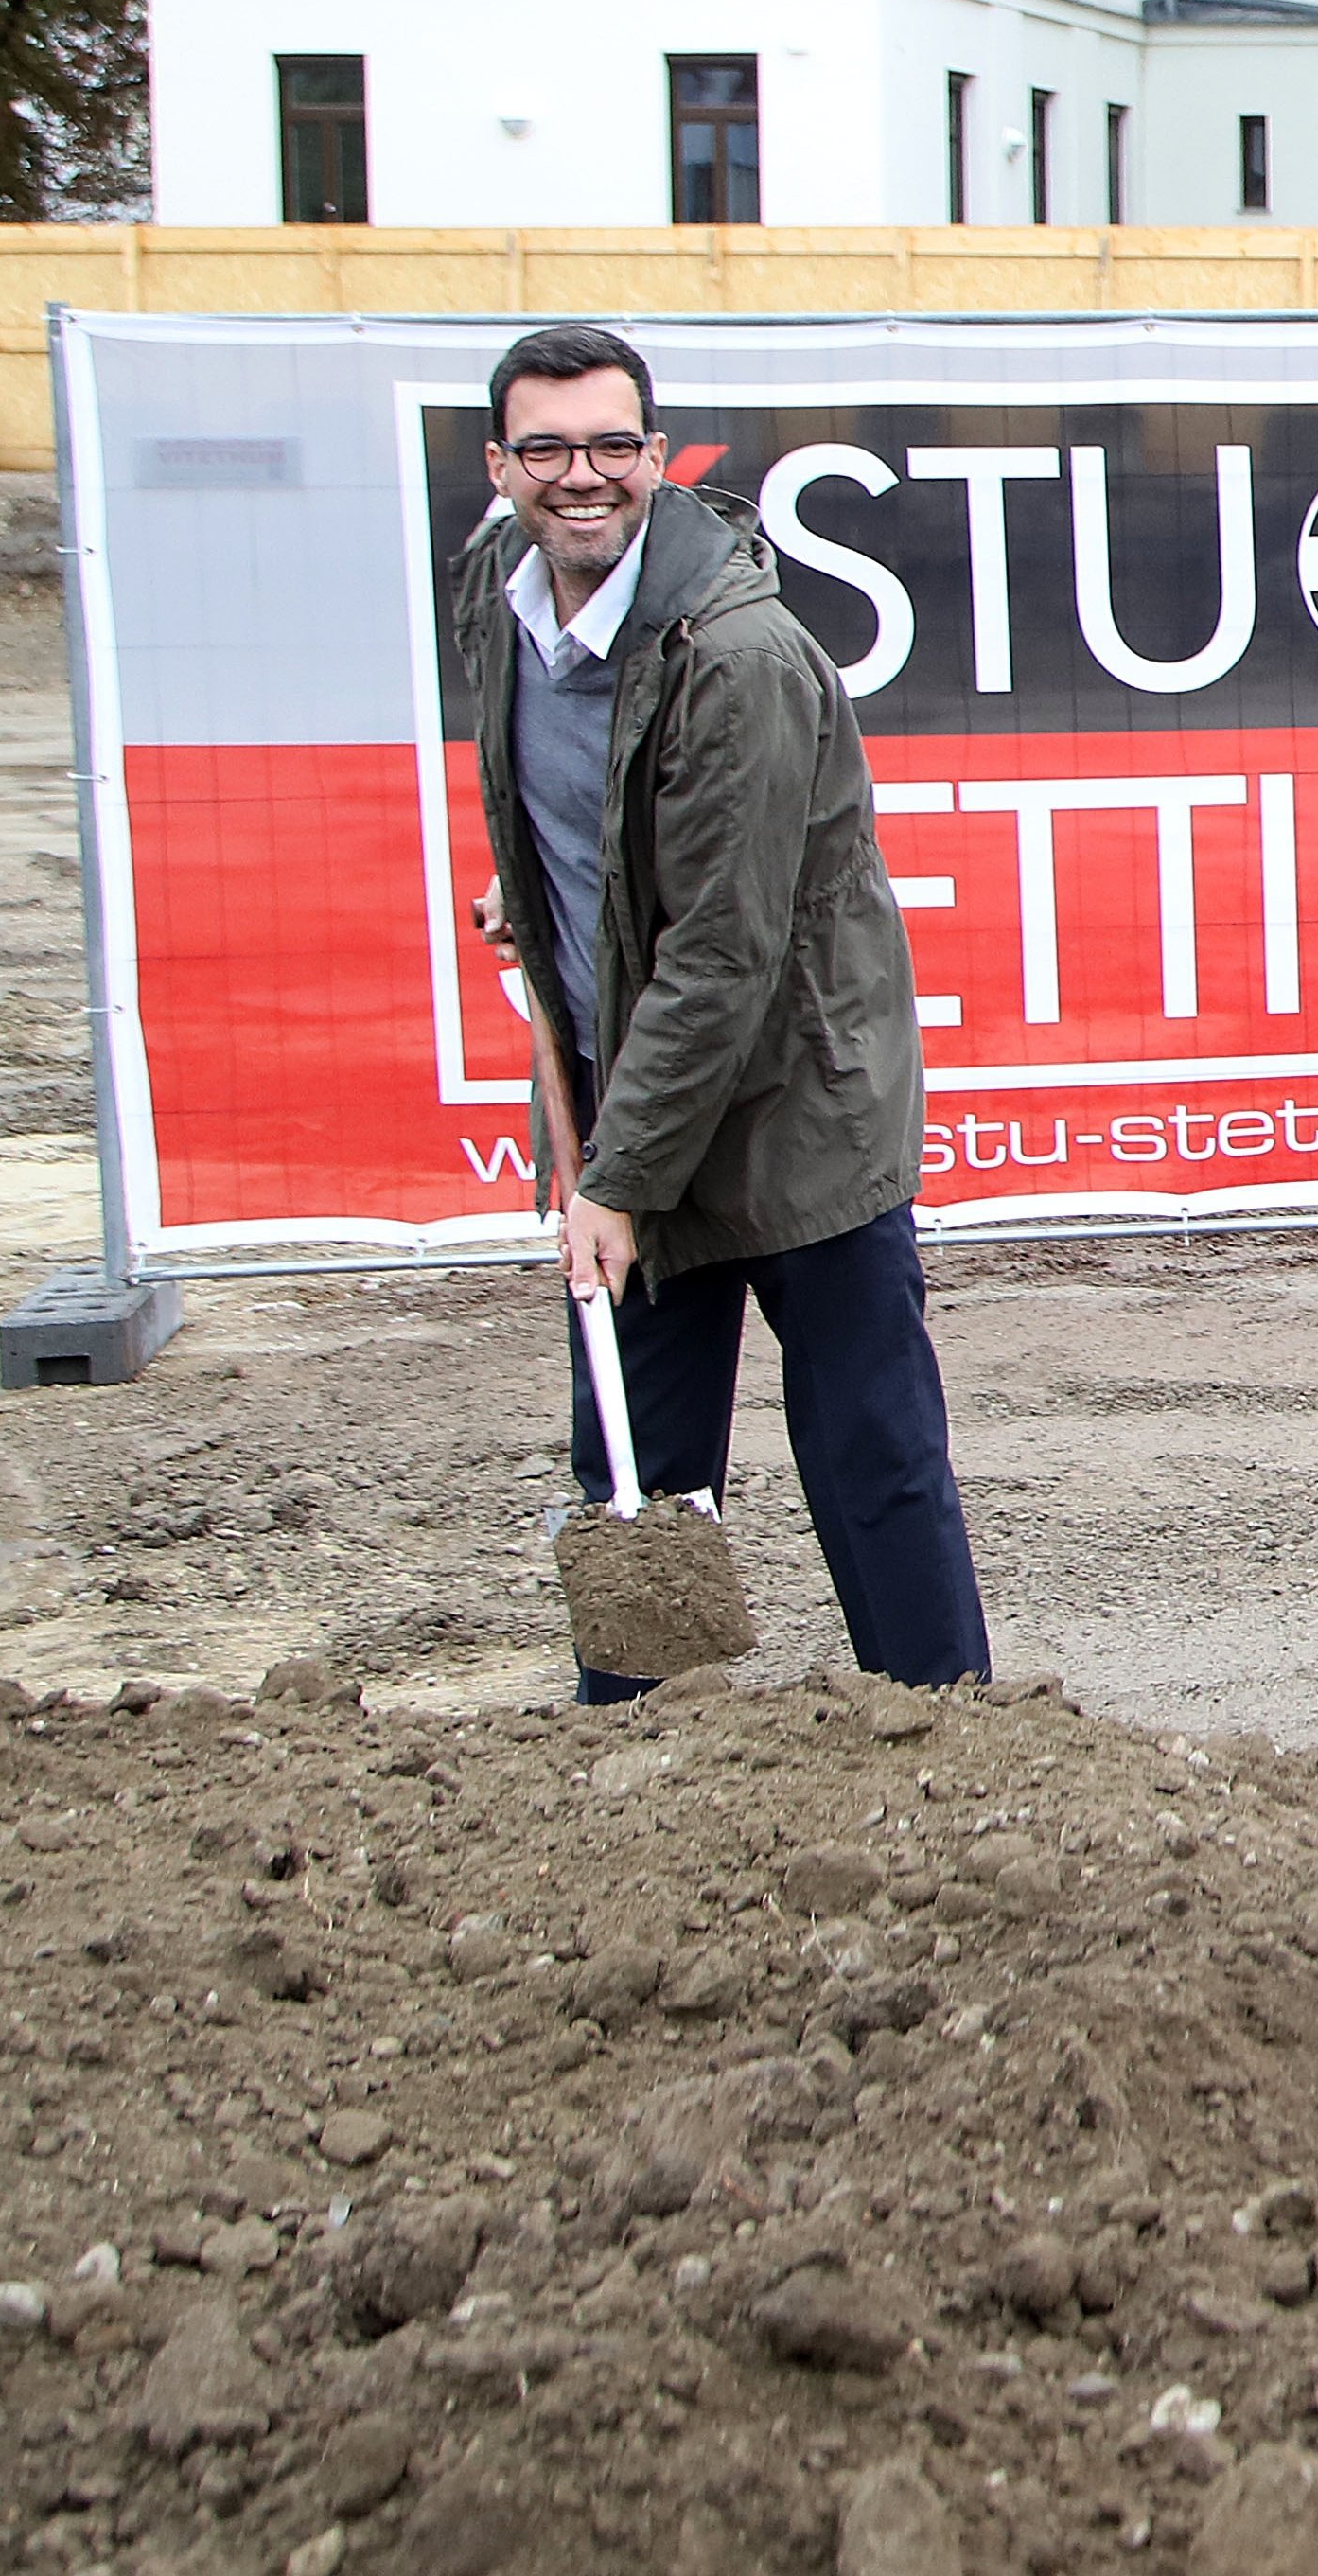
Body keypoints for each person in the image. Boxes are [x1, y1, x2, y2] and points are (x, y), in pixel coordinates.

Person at [448, 321, 990, 1703]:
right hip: (627, 1090)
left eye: (615, 445)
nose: (586, 476)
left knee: (870, 1455)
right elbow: (563, 809)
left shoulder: (736, 655)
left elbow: (724, 953)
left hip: (795, 1109)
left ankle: (955, 1745)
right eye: (552, 448)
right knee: (635, 1469)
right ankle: (645, 1773)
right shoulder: (494, 592)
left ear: (656, 455)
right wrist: (537, 891)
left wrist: (615, 1184)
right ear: (501, 463)